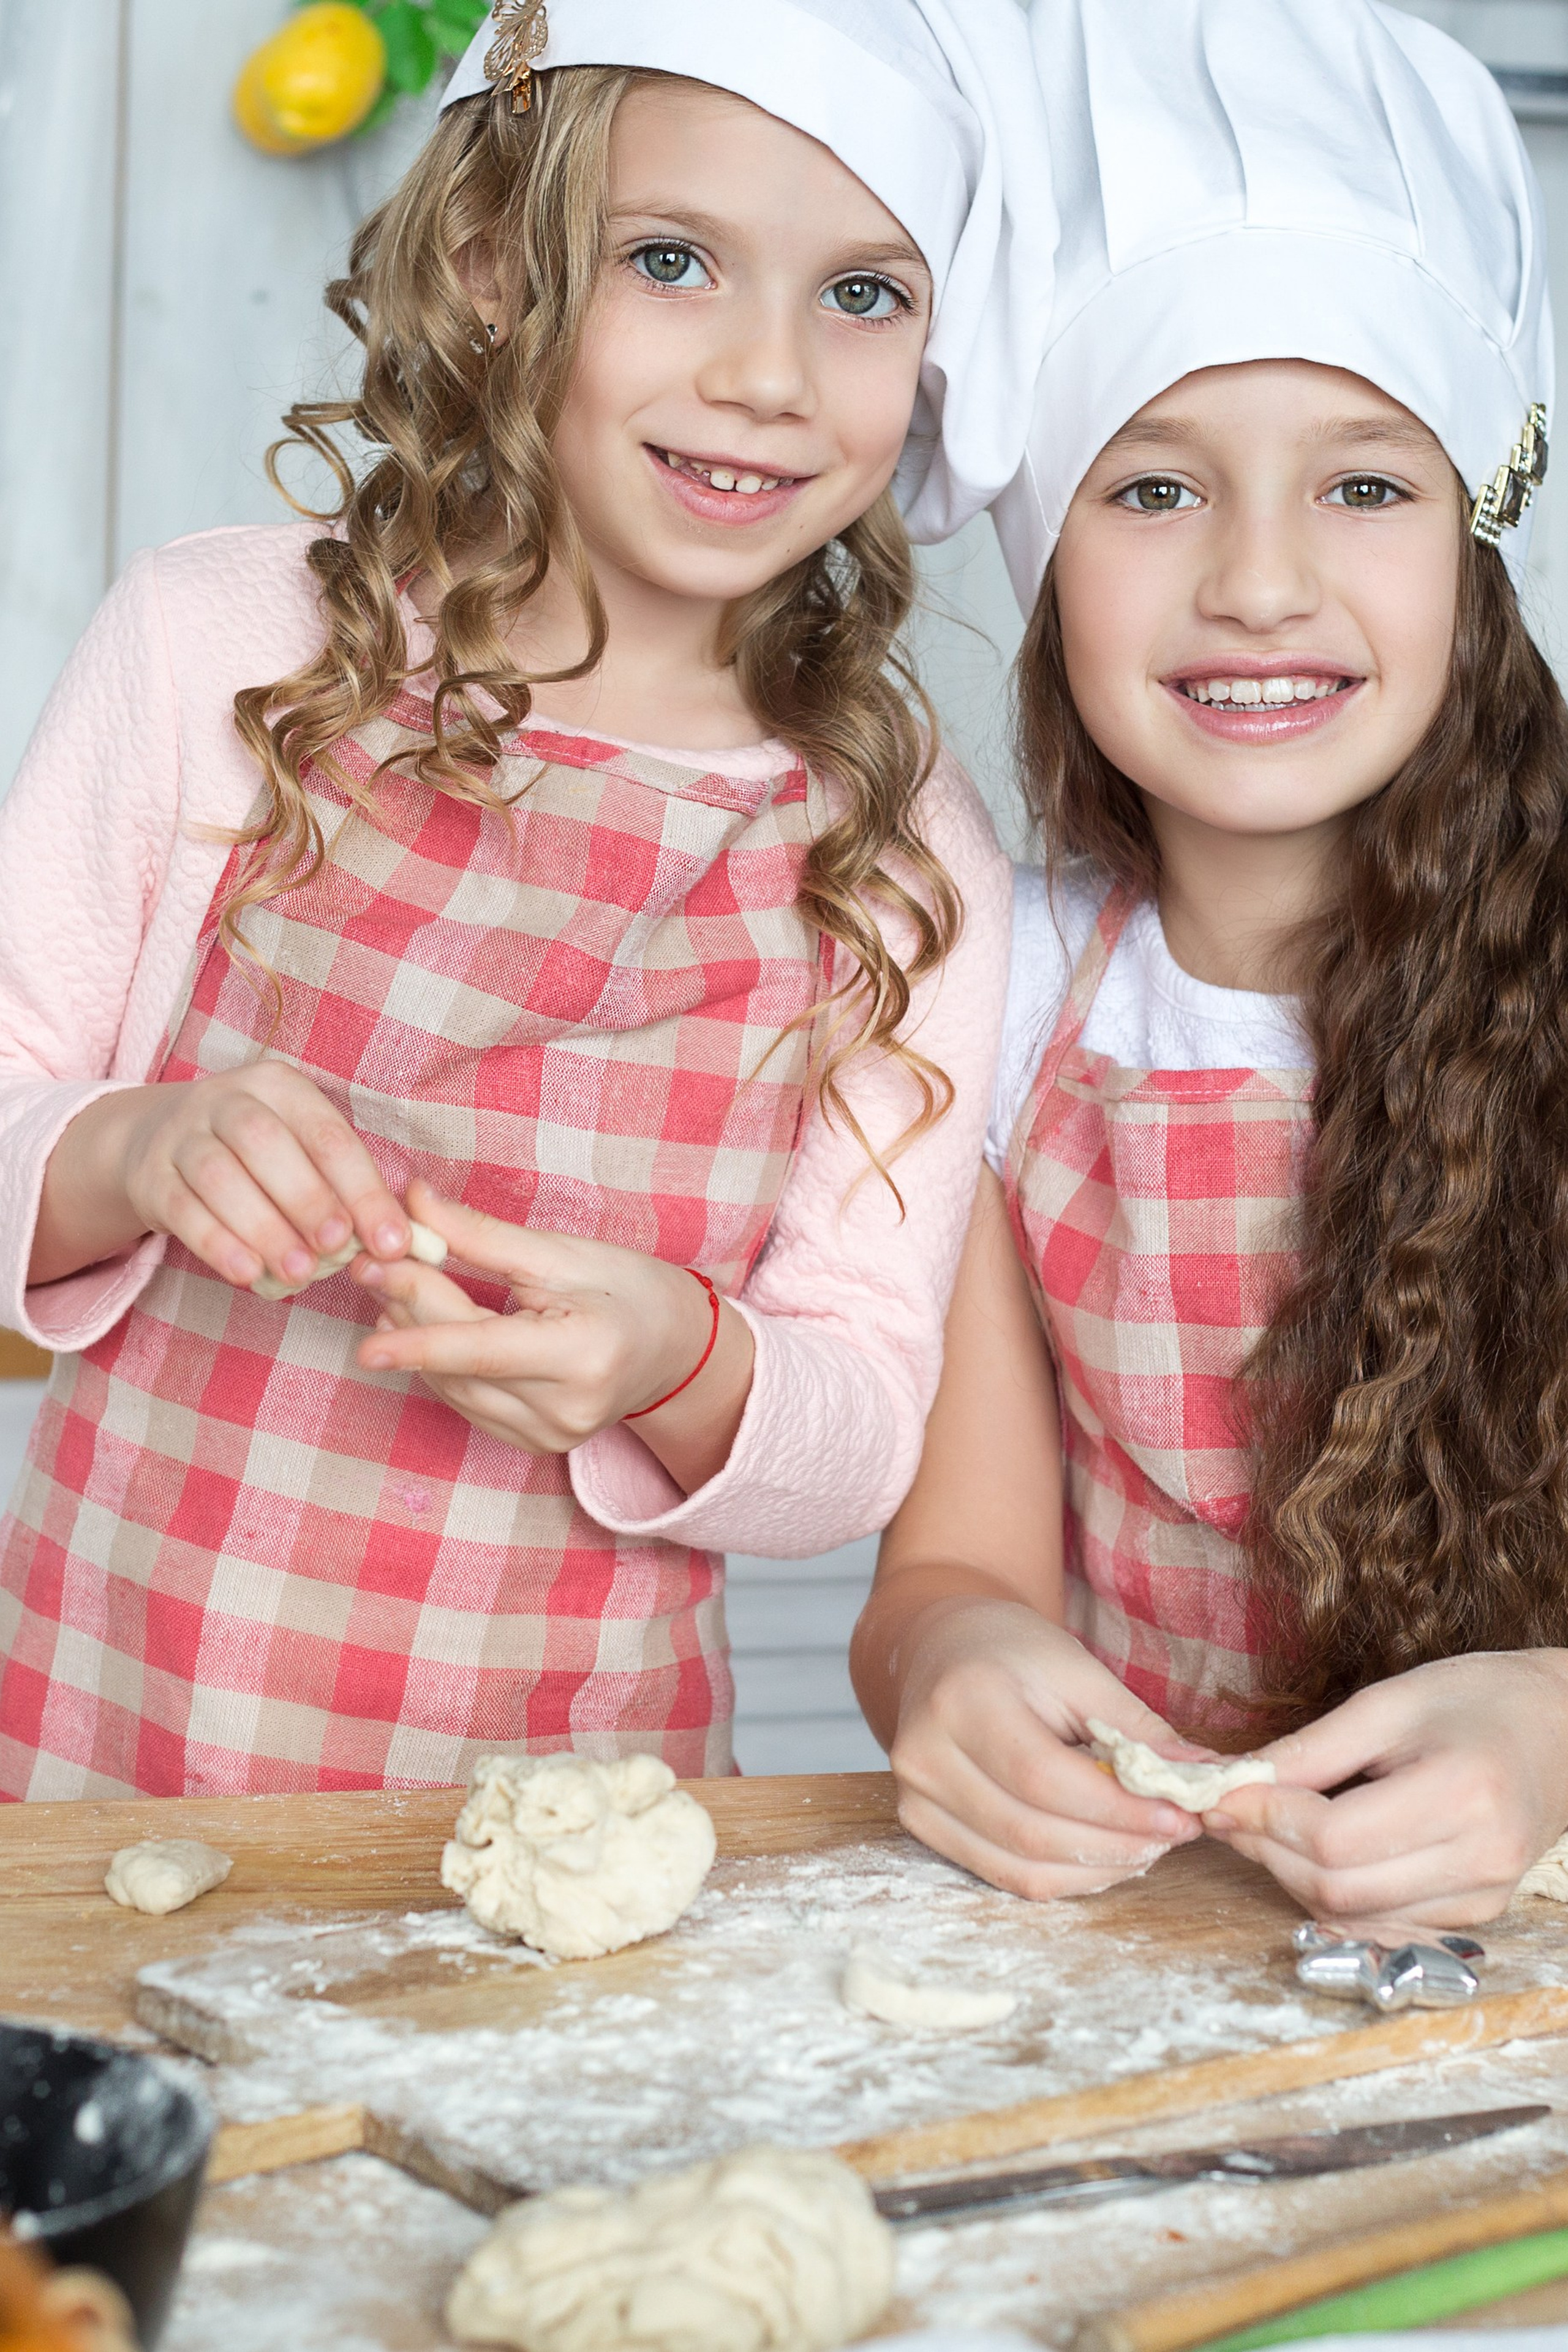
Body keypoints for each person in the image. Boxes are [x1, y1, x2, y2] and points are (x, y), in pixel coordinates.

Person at [0, 0, 1053, 1799]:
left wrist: (676, 1359)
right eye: (673, 261)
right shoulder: (223, 647)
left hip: (574, 1814)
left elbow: (865, 1422)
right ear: (493, 262)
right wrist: (133, 1147)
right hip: (105, 1749)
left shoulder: (900, 852)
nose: (771, 375)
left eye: (864, 294)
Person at [853, 0, 1568, 1933]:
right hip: (1155, 1936)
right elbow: (950, 1577)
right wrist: (952, 1667)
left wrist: (1550, 1725)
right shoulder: (1003, 997)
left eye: (1365, 485)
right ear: (1047, 567)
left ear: (1475, 555)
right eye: (1156, 489)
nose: (1258, 582)